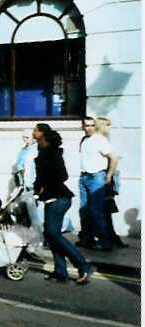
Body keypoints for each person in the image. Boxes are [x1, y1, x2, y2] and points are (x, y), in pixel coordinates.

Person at [34, 123, 94, 284]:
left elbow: (57, 177)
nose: (36, 139)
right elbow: (61, 176)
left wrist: (40, 189)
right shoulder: (52, 154)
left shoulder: (46, 156)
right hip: (57, 198)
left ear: (45, 140)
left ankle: (83, 265)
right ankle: (60, 271)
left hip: (57, 199)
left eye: (38, 136)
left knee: (52, 234)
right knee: (51, 234)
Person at [76, 115, 118, 251]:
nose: (89, 128)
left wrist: (108, 176)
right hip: (84, 177)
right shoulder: (83, 140)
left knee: (96, 211)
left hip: (96, 177)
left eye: (92, 125)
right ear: (82, 127)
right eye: (86, 125)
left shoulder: (100, 140)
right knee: (84, 210)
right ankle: (87, 239)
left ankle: (104, 242)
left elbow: (113, 158)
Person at [96, 117, 127, 248]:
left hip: (108, 178)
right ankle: (109, 237)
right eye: (107, 126)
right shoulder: (100, 141)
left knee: (105, 209)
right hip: (104, 178)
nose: (109, 129)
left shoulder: (105, 141)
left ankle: (111, 236)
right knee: (103, 209)